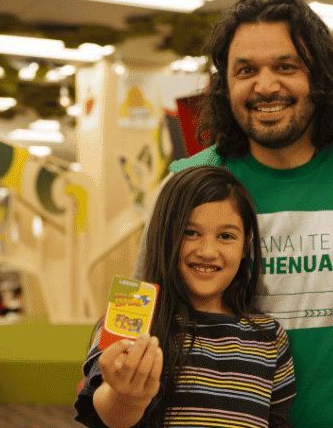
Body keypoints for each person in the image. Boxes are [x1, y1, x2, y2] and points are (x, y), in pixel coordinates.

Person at [133, 0, 333, 428]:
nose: (265, 86)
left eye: (286, 67)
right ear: (225, 87)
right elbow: (143, 331)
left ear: (318, 76)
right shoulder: (188, 187)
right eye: (246, 71)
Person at [75, 166, 296, 428]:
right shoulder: (133, 317)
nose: (207, 251)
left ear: (245, 245)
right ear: (164, 236)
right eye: (190, 232)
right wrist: (126, 397)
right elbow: (105, 414)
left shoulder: (270, 337)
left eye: (226, 236)